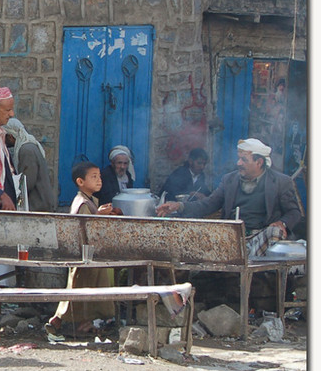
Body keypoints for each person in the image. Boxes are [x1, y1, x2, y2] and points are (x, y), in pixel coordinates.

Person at [156, 138, 302, 256]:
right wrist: (179, 206)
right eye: (239, 159)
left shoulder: (281, 182)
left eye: (244, 160)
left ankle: (249, 262)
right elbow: (208, 204)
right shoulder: (229, 180)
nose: (239, 163)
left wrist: (282, 223)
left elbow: (294, 212)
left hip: (262, 236)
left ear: (259, 162)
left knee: (274, 232)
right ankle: (244, 260)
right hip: (233, 238)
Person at [45, 162, 121, 339]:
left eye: (99, 176)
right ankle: (56, 323)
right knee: (75, 296)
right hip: (83, 256)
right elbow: (82, 228)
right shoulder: (81, 203)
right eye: (93, 177)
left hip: (92, 256)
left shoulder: (91, 200)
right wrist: (99, 216)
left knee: (87, 296)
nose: (99, 180)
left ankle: (85, 325)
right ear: (80, 181)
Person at [2, 118, 57, 212]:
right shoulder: (29, 147)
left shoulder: (26, 150)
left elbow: (27, 182)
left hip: (38, 205)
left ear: (10, 136)